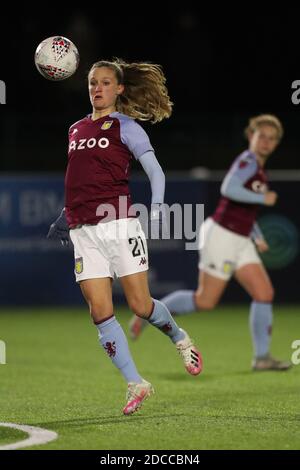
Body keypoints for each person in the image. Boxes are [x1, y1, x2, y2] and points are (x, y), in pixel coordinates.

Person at [47, 59, 202, 416]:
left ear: (119, 89)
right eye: (91, 83)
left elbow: (155, 170)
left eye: (104, 83)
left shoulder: (126, 127)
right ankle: (136, 383)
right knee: (99, 312)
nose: (96, 88)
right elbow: (79, 180)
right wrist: (65, 214)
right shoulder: (75, 129)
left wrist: (159, 207)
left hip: (119, 225)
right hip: (83, 231)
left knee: (140, 306)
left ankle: (179, 337)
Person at [129, 114, 292, 371]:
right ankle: (149, 313)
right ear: (251, 136)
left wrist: (257, 236)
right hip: (222, 236)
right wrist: (263, 199)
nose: (266, 142)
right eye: (262, 136)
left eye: (272, 139)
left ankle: (262, 358)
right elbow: (229, 188)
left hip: (240, 238)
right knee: (205, 301)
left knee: (264, 293)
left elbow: (246, 208)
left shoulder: (258, 168)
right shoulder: (248, 161)